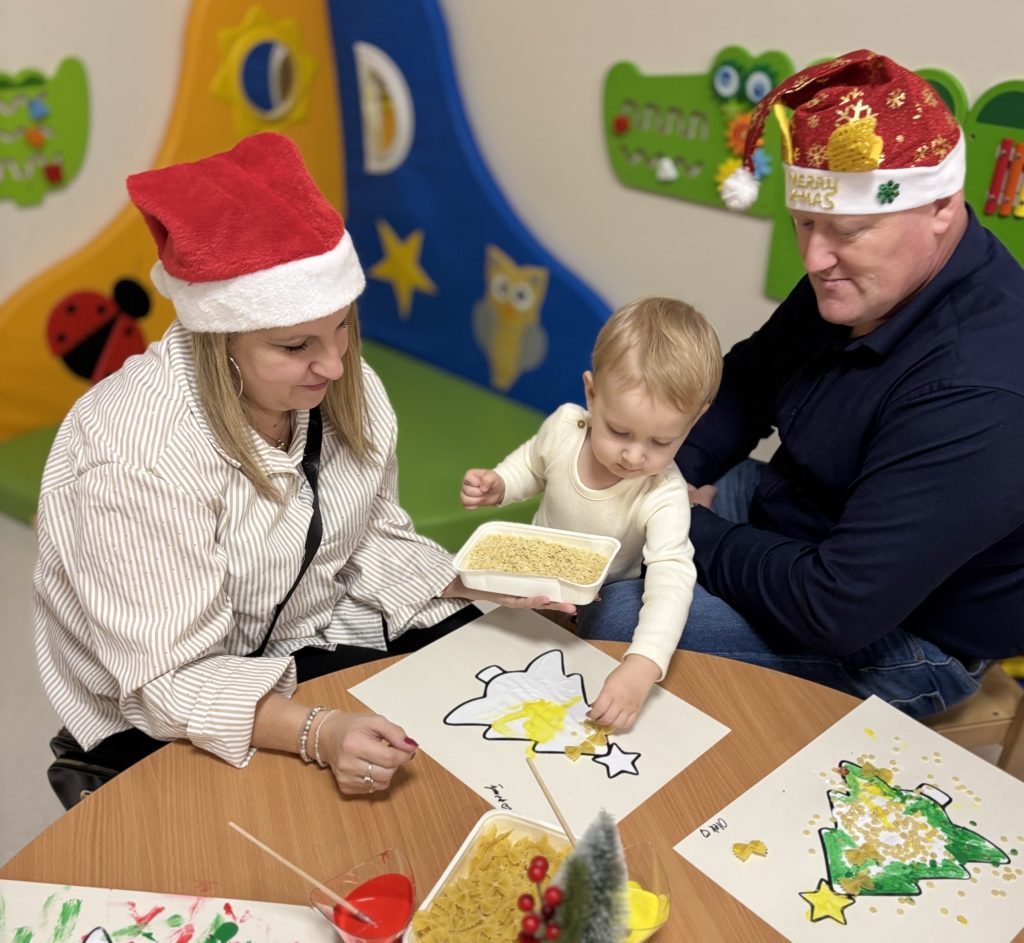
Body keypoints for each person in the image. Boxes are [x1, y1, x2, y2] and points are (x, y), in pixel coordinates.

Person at [34, 132, 573, 808]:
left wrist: (479, 577)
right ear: (219, 340)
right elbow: (168, 679)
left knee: (488, 663)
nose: (337, 365)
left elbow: (368, 536)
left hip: (297, 635)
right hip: (161, 701)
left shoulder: (338, 386)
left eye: (343, 326)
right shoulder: (137, 457)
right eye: (296, 346)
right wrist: (318, 731)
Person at [581, 49, 1024, 718]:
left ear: (940, 206)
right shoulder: (863, 278)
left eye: (847, 231)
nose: (815, 257)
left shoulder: (982, 387)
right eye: (804, 224)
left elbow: (835, 608)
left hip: (903, 633)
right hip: (806, 519)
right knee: (599, 499)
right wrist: (654, 475)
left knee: (616, 612)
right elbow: (749, 382)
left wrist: (682, 523)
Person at [461, 297, 722, 729]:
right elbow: (532, 466)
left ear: (693, 423)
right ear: (592, 394)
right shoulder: (565, 426)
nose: (634, 456)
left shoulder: (662, 493)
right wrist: (501, 483)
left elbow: (672, 577)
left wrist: (643, 664)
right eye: (619, 431)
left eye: (661, 443)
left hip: (600, 601)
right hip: (531, 578)